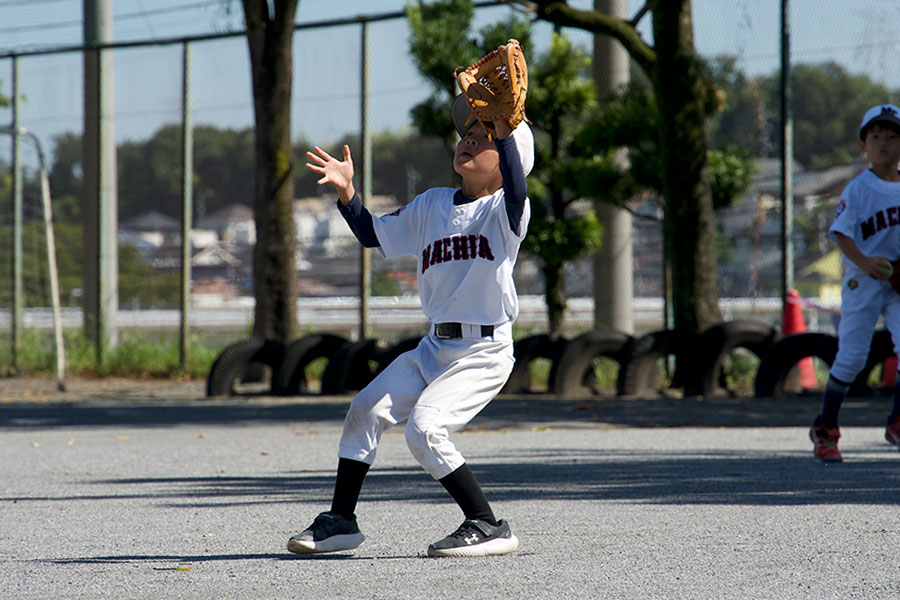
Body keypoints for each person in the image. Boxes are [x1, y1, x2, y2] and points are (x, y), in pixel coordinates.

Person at [287, 94, 534, 556]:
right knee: (365, 408)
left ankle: (486, 523)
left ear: (507, 159)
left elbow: (518, 191)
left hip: (484, 353)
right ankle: (342, 521)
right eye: (468, 134)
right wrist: (347, 194)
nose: (470, 140)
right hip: (433, 349)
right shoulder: (431, 205)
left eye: (485, 138)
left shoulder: (504, 211)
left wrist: (507, 133)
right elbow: (371, 234)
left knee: (425, 428)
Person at [810, 103, 900, 462]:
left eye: (893, 137)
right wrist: (863, 263)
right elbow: (841, 234)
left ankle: (897, 421)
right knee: (851, 358)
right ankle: (826, 428)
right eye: (875, 136)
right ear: (863, 146)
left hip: (897, 281)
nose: (884, 143)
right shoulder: (859, 189)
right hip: (862, 280)